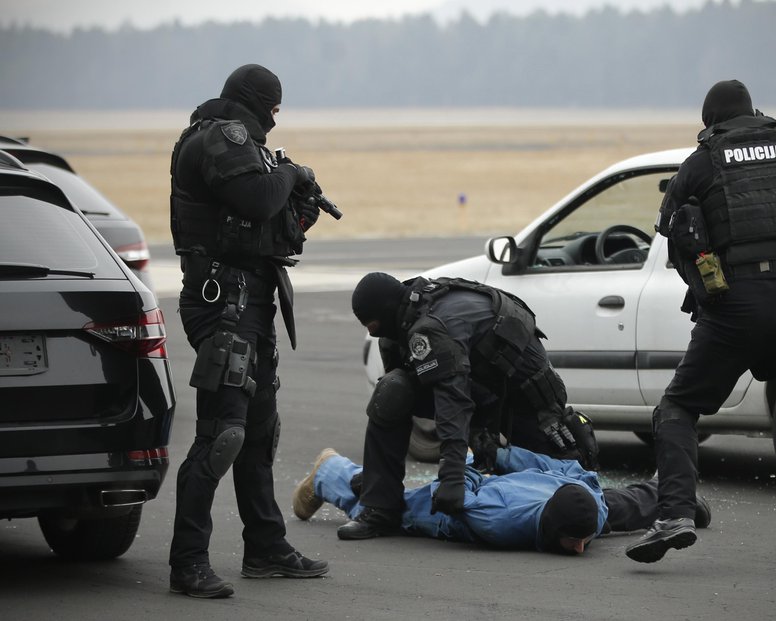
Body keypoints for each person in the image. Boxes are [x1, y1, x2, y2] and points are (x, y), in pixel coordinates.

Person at [625, 80, 776, 570]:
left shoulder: (701, 163)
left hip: (735, 307)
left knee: (678, 408)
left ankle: (675, 515)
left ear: (711, 122)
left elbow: (674, 237)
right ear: (753, 111)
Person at [167, 64, 330, 598]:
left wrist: (297, 206)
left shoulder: (250, 149)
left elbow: (271, 223)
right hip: (221, 301)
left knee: (259, 434)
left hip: (253, 298)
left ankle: (265, 547)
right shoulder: (219, 138)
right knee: (222, 435)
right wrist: (295, 175)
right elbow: (260, 199)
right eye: (273, 109)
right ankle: (188, 562)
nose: (274, 120)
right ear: (257, 101)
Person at [343, 272, 600, 540]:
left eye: (372, 324)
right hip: (480, 388)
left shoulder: (431, 327)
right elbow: (404, 397)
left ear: (384, 312)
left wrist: (452, 476)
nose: (371, 332)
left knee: (569, 496)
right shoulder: (399, 324)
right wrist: (379, 478)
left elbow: (452, 400)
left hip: (529, 404)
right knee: (392, 391)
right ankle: (380, 507)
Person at [292, 445, 711, 554]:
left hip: (542, 492)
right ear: (549, 530)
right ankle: (331, 473)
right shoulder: (498, 521)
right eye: (575, 542)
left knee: (623, 506)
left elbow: (572, 471)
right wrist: (476, 465)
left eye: (582, 539)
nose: (583, 548)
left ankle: (677, 495)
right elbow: (452, 495)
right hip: (457, 503)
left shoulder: (589, 505)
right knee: (390, 509)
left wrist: (507, 456)